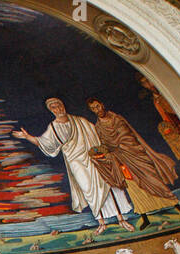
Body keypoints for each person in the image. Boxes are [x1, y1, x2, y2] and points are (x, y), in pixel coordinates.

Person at [13, 98, 135, 232]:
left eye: (58, 105)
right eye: (53, 107)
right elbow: (44, 143)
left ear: (63, 106)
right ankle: (101, 222)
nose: (57, 109)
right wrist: (27, 137)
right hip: (76, 162)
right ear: (51, 111)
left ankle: (121, 219)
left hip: (93, 158)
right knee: (88, 190)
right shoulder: (53, 127)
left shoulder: (80, 121)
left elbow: (97, 134)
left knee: (107, 184)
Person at [85, 96, 180, 230]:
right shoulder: (98, 126)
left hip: (134, 155)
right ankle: (145, 217)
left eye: (97, 106)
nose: (96, 110)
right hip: (122, 160)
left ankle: (179, 207)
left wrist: (117, 147)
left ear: (102, 105)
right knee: (134, 189)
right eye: (93, 109)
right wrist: (103, 154)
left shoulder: (116, 119)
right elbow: (105, 144)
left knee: (152, 180)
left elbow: (126, 136)